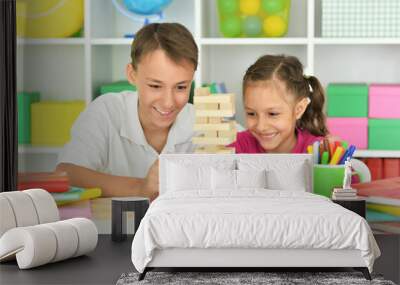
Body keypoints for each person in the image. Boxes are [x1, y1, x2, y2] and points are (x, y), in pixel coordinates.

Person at [56, 23, 198, 201]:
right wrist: (140, 187)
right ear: (132, 75)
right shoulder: (106, 111)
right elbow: (66, 173)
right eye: (155, 86)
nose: (168, 102)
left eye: (181, 87)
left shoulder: (203, 122)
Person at [230, 54, 330, 154]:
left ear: (299, 109)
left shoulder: (319, 151)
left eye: (272, 114)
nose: (261, 126)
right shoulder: (235, 147)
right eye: (251, 113)